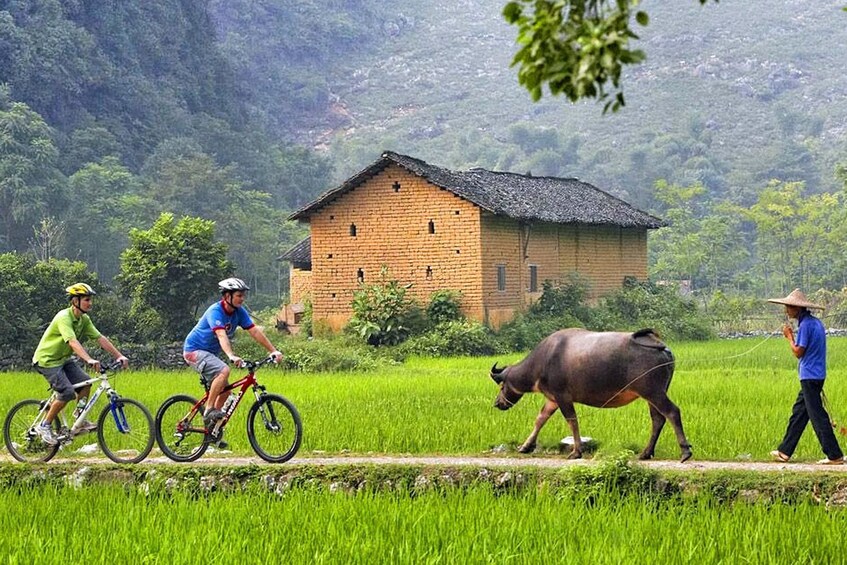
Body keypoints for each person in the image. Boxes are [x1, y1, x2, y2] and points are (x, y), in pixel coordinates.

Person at [32, 283, 129, 445]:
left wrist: (119, 355)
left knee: (85, 384)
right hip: (47, 360)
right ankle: (44, 425)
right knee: (67, 392)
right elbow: (72, 342)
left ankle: (79, 416)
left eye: (90, 300)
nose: (90, 303)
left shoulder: (84, 319)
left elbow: (100, 338)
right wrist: (89, 359)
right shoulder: (64, 317)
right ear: (75, 301)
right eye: (86, 300)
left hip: (63, 360)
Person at [183, 278, 282, 430]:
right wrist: (231, 355)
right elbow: (221, 335)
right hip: (194, 351)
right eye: (239, 295)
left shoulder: (239, 312)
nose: (242, 299)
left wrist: (273, 350)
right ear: (227, 296)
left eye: (243, 295)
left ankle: (211, 429)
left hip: (210, 354)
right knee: (224, 370)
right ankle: (209, 410)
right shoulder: (215, 311)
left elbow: (254, 331)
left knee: (226, 391)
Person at [768, 289, 844, 465]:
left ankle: (834, 455)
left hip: (809, 376)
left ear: (796, 308)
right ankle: (784, 451)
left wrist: (789, 337)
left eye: (788, 307)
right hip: (816, 374)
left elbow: (798, 352)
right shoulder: (815, 323)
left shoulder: (805, 326)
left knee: (817, 416)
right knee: (799, 413)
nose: (786, 310)